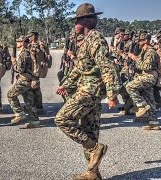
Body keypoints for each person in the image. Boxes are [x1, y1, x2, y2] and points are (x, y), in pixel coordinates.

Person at [55, 3, 121, 179]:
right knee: (89, 130)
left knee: (62, 119)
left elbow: (107, 66)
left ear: (84, 22)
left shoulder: (96, 40)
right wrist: (66, 84)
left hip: (90, 90)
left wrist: (112, 94)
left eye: (76, 21)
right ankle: (93, 173)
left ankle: (95, 148)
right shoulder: (86, 41)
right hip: (87, 88)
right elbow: (79, 68)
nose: (74, 25)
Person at [126, 31, 160, 130]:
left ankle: (141, 106)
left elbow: (147, 66)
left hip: (149, 76)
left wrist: (135, 58)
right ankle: (154, 123)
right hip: (145, 75)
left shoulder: (150, 51)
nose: (138, 41)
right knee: (149, 99)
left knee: (130, 86)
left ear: (146, 40)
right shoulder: (143, 50)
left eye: (140, 40)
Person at [7, 35, 40, 129]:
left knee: (10, 95)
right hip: (29, 80)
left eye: (18, 41)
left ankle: (19, 113)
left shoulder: (24, 54)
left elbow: (19, 69)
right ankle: (35, 121)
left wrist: (13, 62)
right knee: (29, 101)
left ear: (23, 43)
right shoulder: (28, 52)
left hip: (24, 80)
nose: (17, 43)